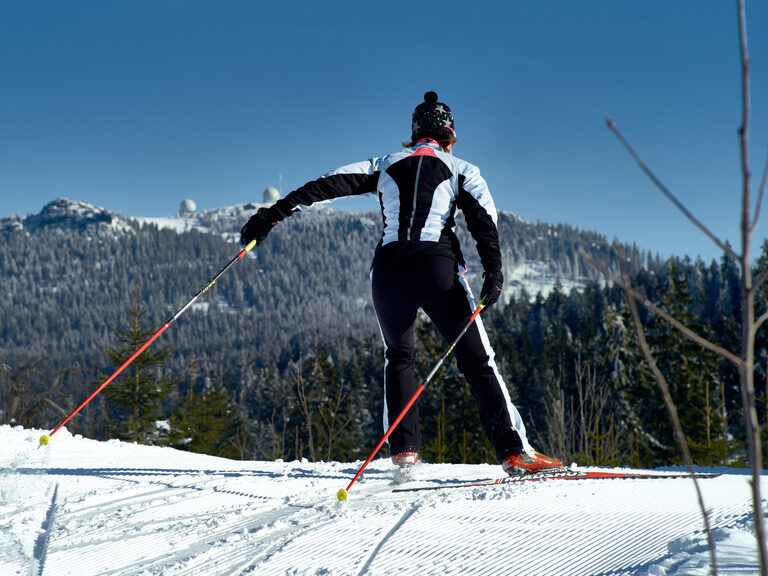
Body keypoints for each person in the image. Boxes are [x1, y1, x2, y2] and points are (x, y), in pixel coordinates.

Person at [240, 92, 562, 476]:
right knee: (477, 361)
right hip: (437, 269)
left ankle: (404, 453)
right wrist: (494, 272)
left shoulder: (383, 164)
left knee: (399, 357)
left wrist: (269, 217)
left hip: (389, 271)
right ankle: (514, 452)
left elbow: (322, 187)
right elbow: (484, 223)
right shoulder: (463, 169)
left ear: (413, 133)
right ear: (449, 135)